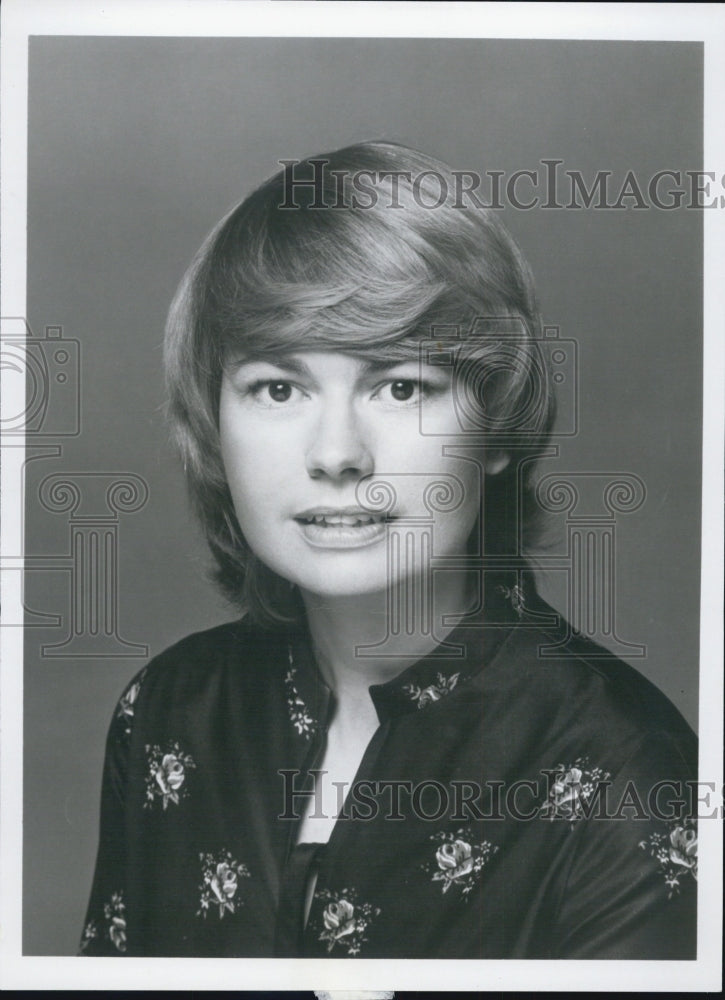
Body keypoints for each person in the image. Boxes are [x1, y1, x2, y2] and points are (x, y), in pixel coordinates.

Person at [79, 141, 697, 959]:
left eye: (400, 386)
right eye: (278, 388)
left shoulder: (630, 774)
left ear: (496, 428)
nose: (336, 454)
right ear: (214, 427)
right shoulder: (168, 711)